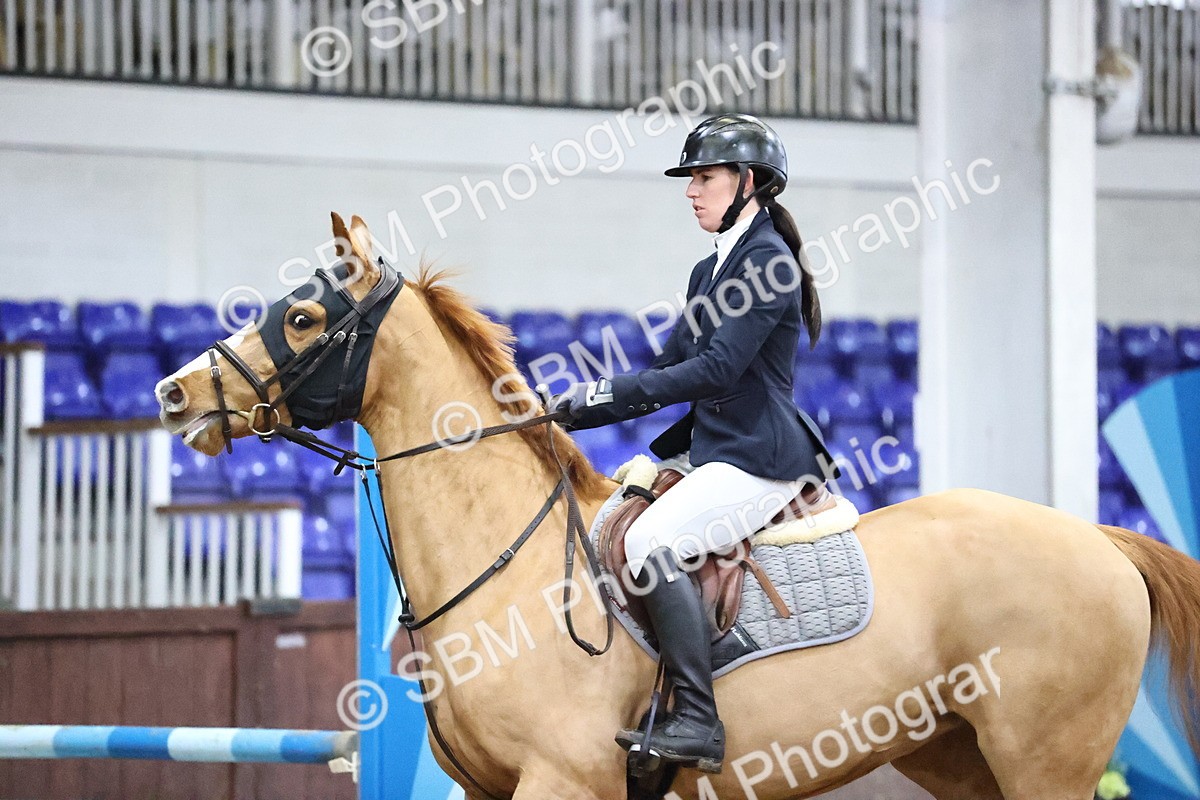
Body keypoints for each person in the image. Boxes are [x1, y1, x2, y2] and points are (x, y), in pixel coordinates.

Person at [550, 113, 838, 773]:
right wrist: (572, 411)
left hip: (761, 459)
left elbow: (712, 373)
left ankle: (700, 721)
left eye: (704, 177)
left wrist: (601, 395)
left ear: (750, 182)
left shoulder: (769, 264)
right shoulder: (707, 272)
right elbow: (669, 368)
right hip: (715, 446)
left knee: (652, 541)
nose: (691, 190)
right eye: (692, 179)